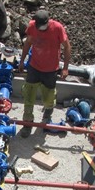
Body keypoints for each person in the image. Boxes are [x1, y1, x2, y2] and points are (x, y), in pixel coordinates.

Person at [17, 9, 72, 137]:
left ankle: (48, 110)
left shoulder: (57, 28)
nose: (40, 29)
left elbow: (67, 47)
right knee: (28, 95)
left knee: (48, 97)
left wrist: (65, 68)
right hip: (34, 67)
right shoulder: (32, 26)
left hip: (50, 70)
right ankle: (27, 123)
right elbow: (28, 43)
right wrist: (22, 61)